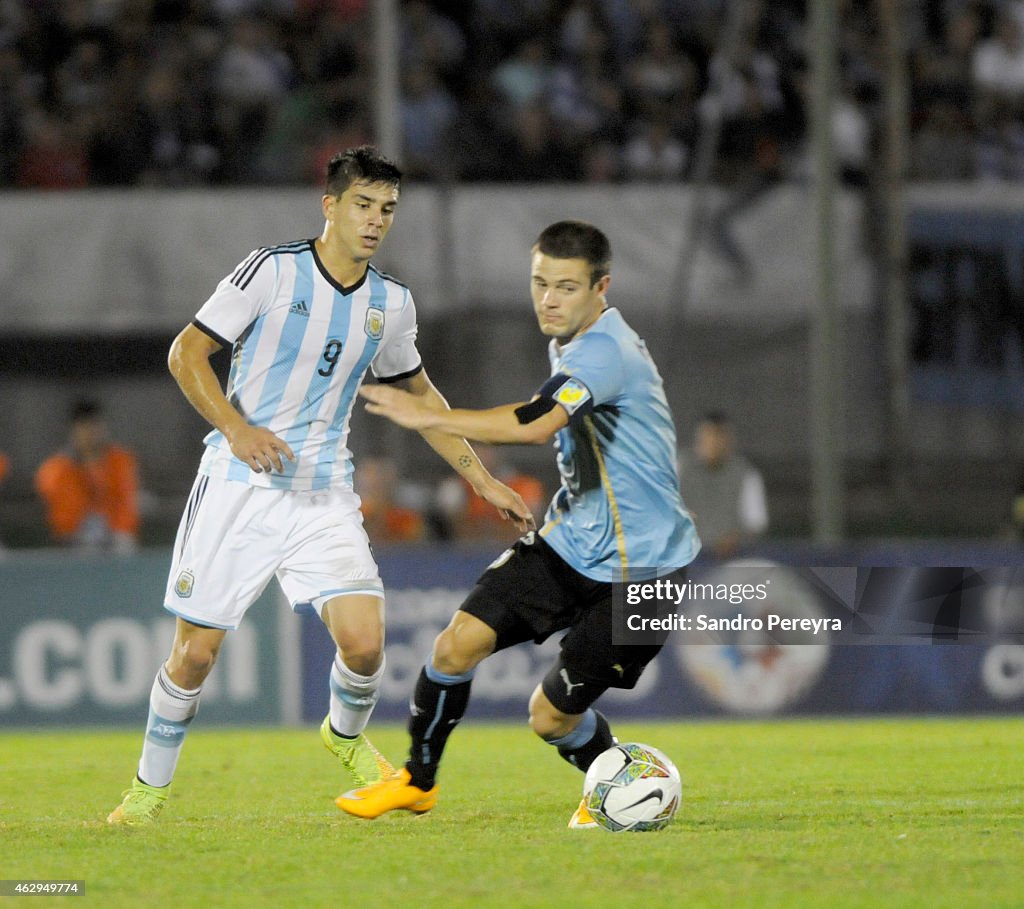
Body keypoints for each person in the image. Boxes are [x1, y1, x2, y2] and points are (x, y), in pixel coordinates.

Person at [107, 146, 533, 825]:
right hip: (237, 485)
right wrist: (237, 428)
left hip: (323, 491)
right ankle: (146, 792)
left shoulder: (391, 304)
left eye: (387, 209)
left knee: (365, 643)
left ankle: (342, 735)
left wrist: (481, 478)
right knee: (194, 655)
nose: (374, 220)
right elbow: (185, 351)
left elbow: (420, 396)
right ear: (330, 205)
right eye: (362, 204)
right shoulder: (271, 272)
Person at [337, 220, 700, 827]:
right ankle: (415, 783)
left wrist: (430, 419)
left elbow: (534, 423)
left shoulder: (606, 352)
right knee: (455, 645)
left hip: (647, 571)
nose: (548, 300)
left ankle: (629, 783)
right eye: (539, 284)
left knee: (548, 717)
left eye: (565, 287)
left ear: (601, 288)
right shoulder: (569, 341)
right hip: (570, 542)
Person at [35, 399, 140, 553]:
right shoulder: (55, 469)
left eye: (95, 425)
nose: (90, 433)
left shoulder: (121, 461)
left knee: (125, 543)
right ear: (73, 430)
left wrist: (119, 531)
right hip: (72, 542)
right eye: (84, 427)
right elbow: (61, 514)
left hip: (114, 539)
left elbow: (127, 503)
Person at [677, 411, 768, 562]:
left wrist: (736, 539)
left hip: (730, 560)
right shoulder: (679, 468)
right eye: (709, 436)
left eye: (719, 436)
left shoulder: (745, 474)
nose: (713, 443)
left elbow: (756, 522)